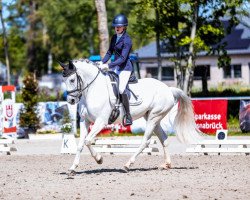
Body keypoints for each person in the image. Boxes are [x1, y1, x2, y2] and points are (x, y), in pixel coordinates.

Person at [99, 14, 133, 126]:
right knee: (107, 85)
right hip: (116, 67)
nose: (117, 28)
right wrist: (102, 62)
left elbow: (123, 58)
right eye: (115, 26)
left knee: (121, 89)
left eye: (119, 26)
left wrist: (109, 66)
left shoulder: (127, 40)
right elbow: (109, 52)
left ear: (124, 27)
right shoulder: (114, 37)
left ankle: (128, 115)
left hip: (125, 68)